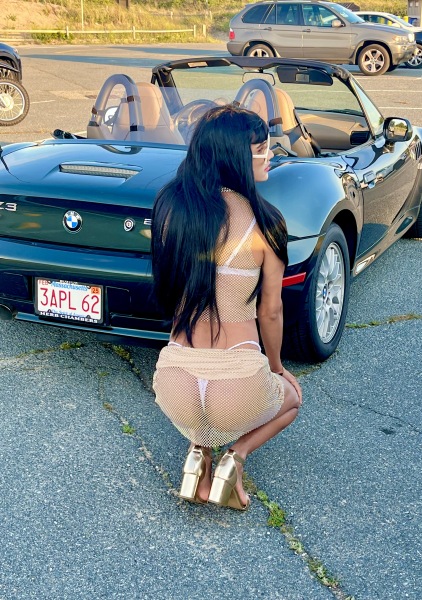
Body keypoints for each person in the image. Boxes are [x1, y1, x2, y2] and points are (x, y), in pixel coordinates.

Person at [151, 105, 302, 511]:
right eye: (262, 147)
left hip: (174, 381)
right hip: (238, 382)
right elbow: (270, 312)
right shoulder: (266, 223)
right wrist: (277, 369)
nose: (270, 154)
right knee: (291, 399)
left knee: (203, 405)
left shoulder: (170, 209)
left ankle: (198, 457)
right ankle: (234, 459)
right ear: (235, 155)